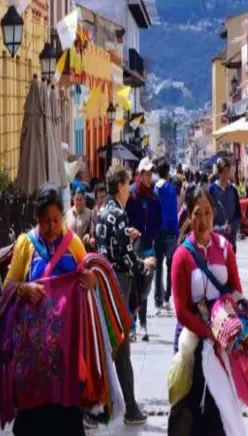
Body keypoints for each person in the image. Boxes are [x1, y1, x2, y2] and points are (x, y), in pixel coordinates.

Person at [2, 187, 97, 435]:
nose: (52, 227)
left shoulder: (73, 244)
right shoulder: (26, 244)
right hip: (33, 355)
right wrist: (24, 288)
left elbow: (89, 276)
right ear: (38, 219)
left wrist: (90, 281)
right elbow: (7, 287)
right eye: (46, 221)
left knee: (66, 415)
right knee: (33, 417)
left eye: (56, 220)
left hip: (66, 351)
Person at [168, 185, 243, 434]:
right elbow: (181, 311)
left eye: (208, 213)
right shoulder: (182, 256)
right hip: (193, 344)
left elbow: (236, 293)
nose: (202, 220)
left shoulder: (225, 249)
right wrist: (208, 333)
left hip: (221, 346)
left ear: (215, 214)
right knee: (191, 416)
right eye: (197, 213)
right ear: (189, 216)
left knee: (218, 413)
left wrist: (244, 332)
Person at [96, 165, 156, 426]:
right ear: (120, 184)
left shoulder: (102, 212)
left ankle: (116, 405)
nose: (130, 189)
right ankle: (123, 407)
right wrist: (145, 264)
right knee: (119, 348)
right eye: (127, 184)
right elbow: (126, 258)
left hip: (104, 285)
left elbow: (110, 246)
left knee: (113, 349)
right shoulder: (119, 214)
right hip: (118, 287)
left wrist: (126, 236)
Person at [126, 157, 161, 341]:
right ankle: (132, 324)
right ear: (139, 175)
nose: (149, 176)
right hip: (134, 247)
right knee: (133, 285)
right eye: (146, 173)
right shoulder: (131, 195)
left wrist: (153, 235)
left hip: (148, 246)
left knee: (146, 285)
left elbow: (158, 221)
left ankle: (143, 323)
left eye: (151, 173)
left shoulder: (155, 197)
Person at [154, 158, 178, 311]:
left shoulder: (154, 189)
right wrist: (176, 233)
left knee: (158, 267)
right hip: (170, 232)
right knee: (170, 265)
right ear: (168, 172)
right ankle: (168, 297)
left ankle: (158, 299)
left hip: (157, 232)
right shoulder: (171, 188)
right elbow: (174, 213)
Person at [208, 157, 241, 250]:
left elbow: (238, 214)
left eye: (228, 172)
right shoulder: (212, 190)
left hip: (230, 239)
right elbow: (208, 213)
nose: (226, 175)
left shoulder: (233, 190)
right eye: (224, 172)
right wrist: (217, 229)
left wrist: (232, 226)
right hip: (215, 239)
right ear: (219, 172)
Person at [86, 183, 107, 251]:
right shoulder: (93, 212)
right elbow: (92, 229)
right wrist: (91, 237)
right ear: (96, 198)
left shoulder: (110, 211)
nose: (102, 200)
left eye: (103, 197)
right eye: (99, 197)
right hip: (98, 247)